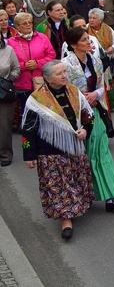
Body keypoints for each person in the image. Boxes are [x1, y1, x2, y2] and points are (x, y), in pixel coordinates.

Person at [21, 60, 95, 240]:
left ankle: (77, 206)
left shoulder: (74, 92)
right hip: (50, 152)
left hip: (74, 147)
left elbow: (88, 117)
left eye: (64, 72)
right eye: (59, 73)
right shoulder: (36, 100)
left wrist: (85, 130)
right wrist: (29, 155)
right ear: (47, 78)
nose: (64, 76)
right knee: (60, 186)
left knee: (76, 180)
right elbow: (28, 130)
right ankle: (66, 221)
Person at [62, 27, 114, 212]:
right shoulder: (65, 65)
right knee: (84, 156)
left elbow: (101, 85)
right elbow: (64, 91)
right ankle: (84, 194)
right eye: (84, 40)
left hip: (95, 112)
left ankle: (110, 196)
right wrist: (82, 98)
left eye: (88, 39)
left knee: (101, 151)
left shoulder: (96, 60)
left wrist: (95, 95)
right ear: (73, 45)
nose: (89, 42)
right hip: (77, 117)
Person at [8, 12, 56, 123]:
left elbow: (51, 55)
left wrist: (37, 63)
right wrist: (24, 66)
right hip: (22, 84)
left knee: (44, 115)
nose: (28, 25)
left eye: (30, 22)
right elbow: (9, 63)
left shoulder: (42, 38)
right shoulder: (11, 42)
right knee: (28, 117)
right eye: (24, 23)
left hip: (41, 82)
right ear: (17, 26)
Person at [88, 8, 114, 109]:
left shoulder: (108, 29)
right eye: (90, 18)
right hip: (95, 62)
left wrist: (113, 47)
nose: (91, 20)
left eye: (94, 18)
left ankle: (111, 103)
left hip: (109, 61)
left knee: (110, 82)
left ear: (100, 20)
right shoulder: (86, 29)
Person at [0, 34, 20, 166]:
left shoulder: (8, 50)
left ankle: (5, 154)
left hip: (4, 92)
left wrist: (7, 81)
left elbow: (16, 68)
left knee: (4, 125)